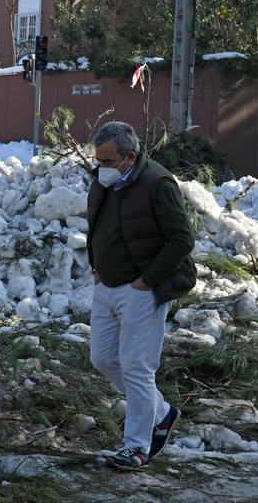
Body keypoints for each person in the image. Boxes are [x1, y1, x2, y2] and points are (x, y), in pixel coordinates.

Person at [87, 121, 196, 470]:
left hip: (140, 289)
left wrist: (146, 282)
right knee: (103, 359)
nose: (100, 166)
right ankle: (162, 413)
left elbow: (182, 239)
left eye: (106, 159)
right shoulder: (105, 180)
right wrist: (97, 266)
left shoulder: (158, 183)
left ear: (129, 156)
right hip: (106, 285)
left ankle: (136, 447)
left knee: (137, 367)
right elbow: (100, 226)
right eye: (98, 158)